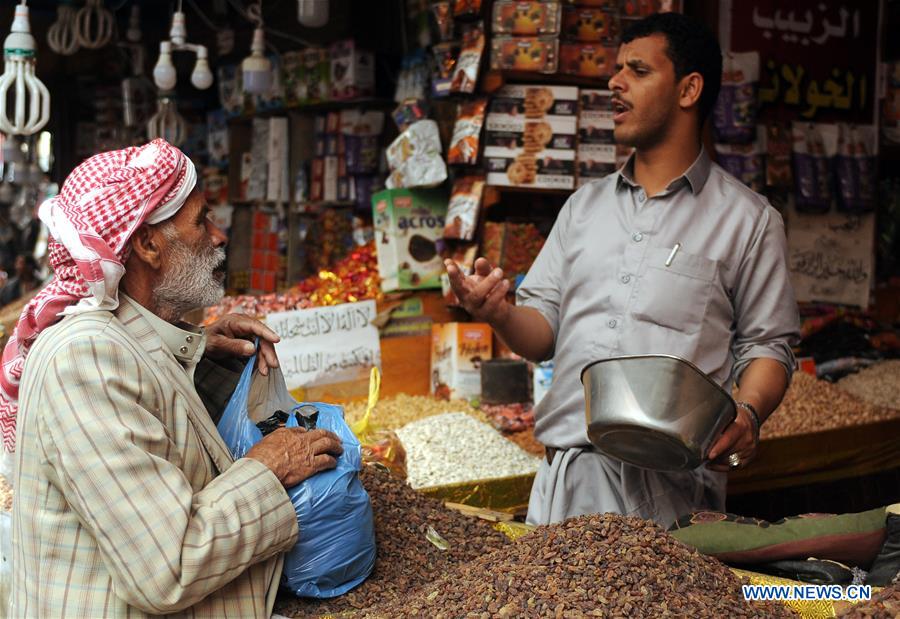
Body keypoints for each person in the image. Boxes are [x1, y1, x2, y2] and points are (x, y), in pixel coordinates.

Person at [445, 13, 800, 528]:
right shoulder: (583, 208)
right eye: (616, 68)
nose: (615, 82)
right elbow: (543, 334)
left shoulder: (748, 221)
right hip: (564, 479)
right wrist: (498, 312)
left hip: (671, 489)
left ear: (689, 89)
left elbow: (768, 345)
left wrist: (747, 413)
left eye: (638, 70)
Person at [3, 139, 344, 618]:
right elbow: (167, 567)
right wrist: (269, 468)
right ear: (147, 245)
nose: (219, 236)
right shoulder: (85, 358)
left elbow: (160, 417)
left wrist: (198, 351)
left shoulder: (124, 337)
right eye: (202, 221)